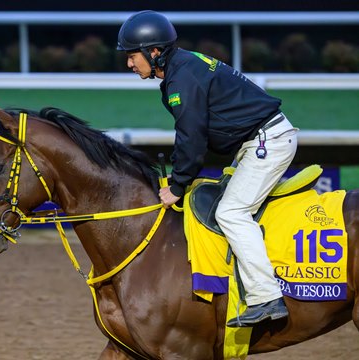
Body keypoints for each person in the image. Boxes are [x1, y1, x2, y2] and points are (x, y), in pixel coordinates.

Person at [117, 10, 299, 327]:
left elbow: (191, 136)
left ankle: (266, 298)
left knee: (231, 212)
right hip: (259, 140)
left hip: (266, 142)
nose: (129, 64)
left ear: (154, 51)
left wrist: (177, 185)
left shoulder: (181, 78)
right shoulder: (183, 67)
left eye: (133, 56)